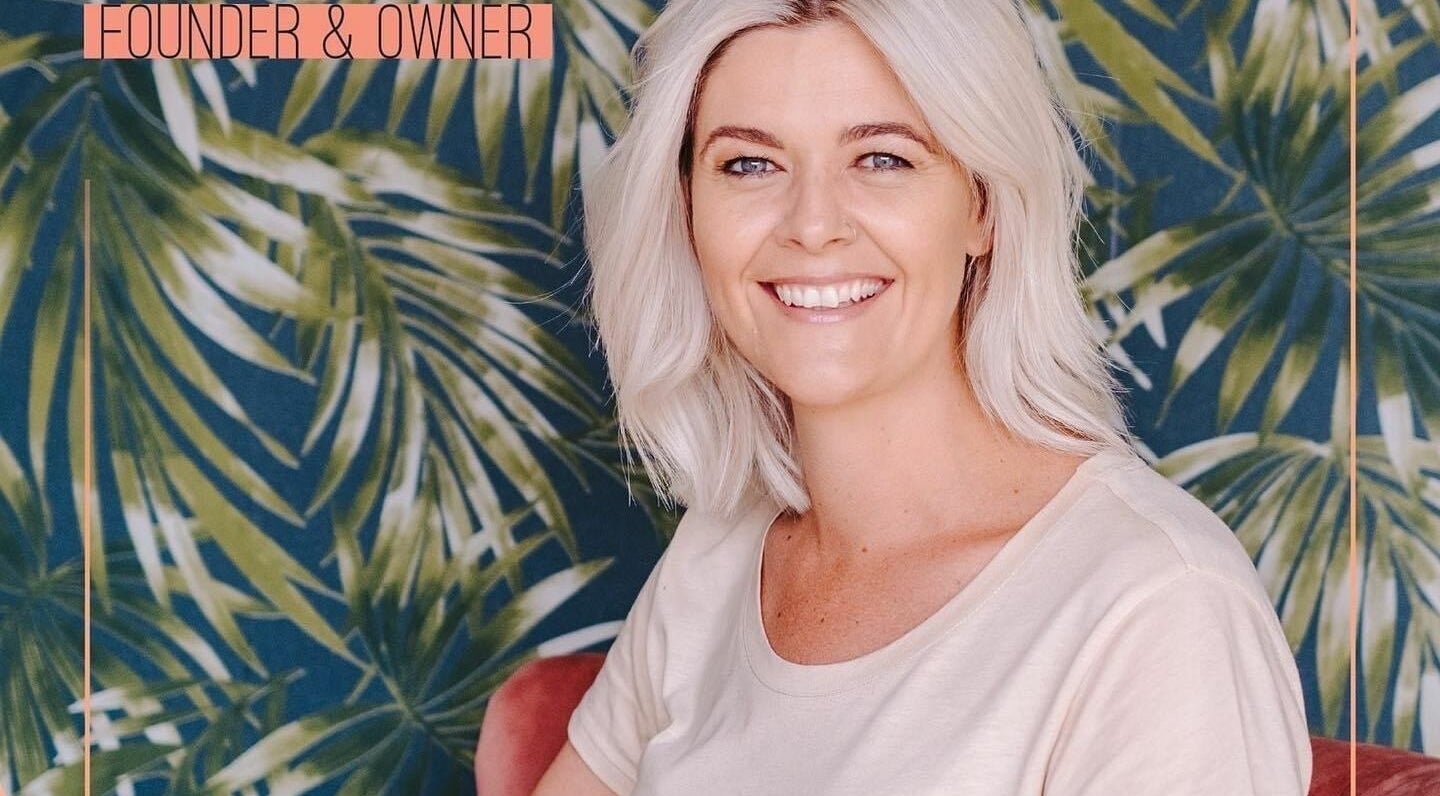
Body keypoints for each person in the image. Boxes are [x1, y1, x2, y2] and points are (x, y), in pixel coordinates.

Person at [533, 0, 1313, 793]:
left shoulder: (1159, 605)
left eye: (882, 159)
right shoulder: (720, 549)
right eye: (749, 165)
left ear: (982, 205)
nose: (812, 225)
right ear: (688, 209)